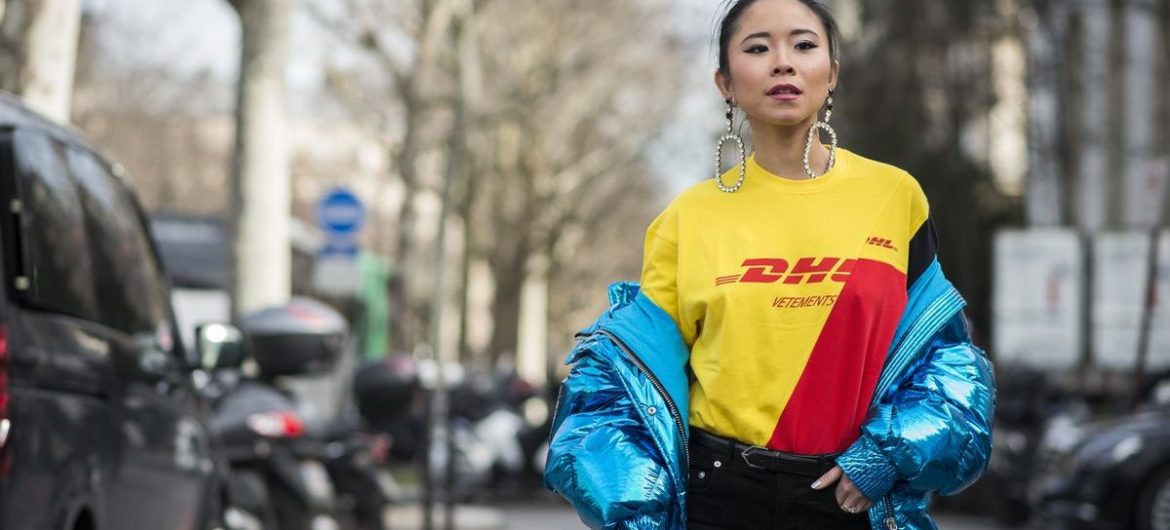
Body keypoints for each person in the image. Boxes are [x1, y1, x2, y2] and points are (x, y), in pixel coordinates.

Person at [543, 1, 996, 529]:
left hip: (852, 497)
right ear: (725, 83)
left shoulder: (896, 198)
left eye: (804, 45)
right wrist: (640, 514)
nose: (783, 62)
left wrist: (889, 454)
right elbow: (628, 382)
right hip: (718, 496)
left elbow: (945, 361)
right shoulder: (688, 218)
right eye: (758, 48)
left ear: (832, 73)